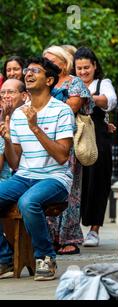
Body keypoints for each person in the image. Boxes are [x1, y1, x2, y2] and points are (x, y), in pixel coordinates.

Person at [0, 56, 75, 281]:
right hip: (24, 176)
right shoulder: (18, 113)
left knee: (28, 202)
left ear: (50, 80)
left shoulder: (62, 111)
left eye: (35, 71)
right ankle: (5, 257)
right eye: (27, 70)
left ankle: (46, 257)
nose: (28, 74)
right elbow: (15, 164)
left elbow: (62, 156)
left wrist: (35, 128)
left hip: (55, 178)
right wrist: (6, 139)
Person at [43, 45, 94, 255]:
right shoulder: (44, 83)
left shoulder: (74, 83)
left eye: (51, 60)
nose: (46, 64)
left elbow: (71, 107)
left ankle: (69, 237)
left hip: (68, 144)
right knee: (46, 187)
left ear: (64, 63)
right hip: (45, 142)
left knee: (70, 192)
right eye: (44, 60)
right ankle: (50, 236)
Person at [74, 47, 118, 247]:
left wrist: (84, 97)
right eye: (79, 68)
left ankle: (94, 229)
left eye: (86, 67)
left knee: (98, 181)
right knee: (76, 181)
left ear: (94, 66)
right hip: (74, 135)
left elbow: (109, 101)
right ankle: (73, 229)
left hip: (98, 136)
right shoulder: (70, 83)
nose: (83, 72)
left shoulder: (103, 83)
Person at [0, 79, 28, 181]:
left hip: (20, 176)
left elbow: (14, 163)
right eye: (3, 92)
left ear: (24, 96)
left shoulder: (30, 118)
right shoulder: (2, 116)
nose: (6, 96)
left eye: (11, 92)